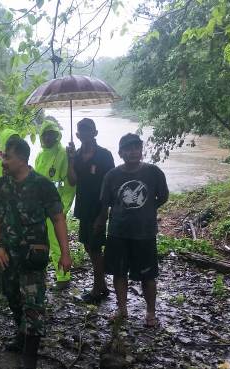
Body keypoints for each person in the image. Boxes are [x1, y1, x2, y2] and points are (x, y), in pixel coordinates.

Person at [0, 137, 72, 369]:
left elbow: (58, 218)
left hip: (33, 256)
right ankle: (21, 336)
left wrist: (65, 253)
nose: (3, 161)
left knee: (33, 305)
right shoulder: (0, 186)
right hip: (6, 256)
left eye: (7, 157)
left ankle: (30, 357)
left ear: (22, 159)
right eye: (4, 156)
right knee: (13, 297)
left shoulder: (42, 185)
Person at [94, 133, 169, 327]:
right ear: (120, 153)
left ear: (141, 150)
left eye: (136, 147)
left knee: (148, 275)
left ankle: (151, 313)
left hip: (144, 233)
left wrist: (148, 210)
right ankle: (122, 309)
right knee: (119, 273)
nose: (133, 151)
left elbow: (163, 197)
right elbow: (106, 203)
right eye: (128, 148)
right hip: (118, 231)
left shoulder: (154, 172)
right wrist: (101, 222)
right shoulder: (112, 175)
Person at [66, 118, 115, 304]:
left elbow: (111, 184)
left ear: (95, 133)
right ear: (78, 135)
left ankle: (97, 289)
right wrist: (70, 160)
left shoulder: (105, 155)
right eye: (82, 131)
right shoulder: (76, 156)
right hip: (83, 207)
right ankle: (101, 285)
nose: (85, 134)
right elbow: (72, 181)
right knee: (88, 246)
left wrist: (104, 214)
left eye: (88, 130)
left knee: (95, 249)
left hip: (99, 208)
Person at [34, 119, 75, 289]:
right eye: (45, 135)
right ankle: (40, 275)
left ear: (57, 135)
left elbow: (70, 186)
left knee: (58, 242)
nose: (48, 138)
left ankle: (63, 278)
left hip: (56, 208)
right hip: (39, 208)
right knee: (40, 243)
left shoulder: (64, 154)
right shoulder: (40, 156)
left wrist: (64, 207)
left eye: (52, 134)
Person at [0, 128, 20, 294]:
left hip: (18, 217)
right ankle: (0, 287)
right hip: (1, 215)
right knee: (0, 251)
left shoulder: (20, 161)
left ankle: (17, 287)